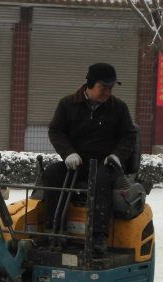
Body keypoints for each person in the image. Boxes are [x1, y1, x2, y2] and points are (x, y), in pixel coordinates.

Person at [45, 62, 138, 253]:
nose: (107, 93)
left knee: (100, 178)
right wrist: (68, 152)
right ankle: (54, 230)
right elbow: (56, 131)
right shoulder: (67, 104)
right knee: (52, 173)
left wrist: (117, 156)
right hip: (77, 161)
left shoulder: (119, 108)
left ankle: (98, 236)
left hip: (105, 163)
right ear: (90, 84)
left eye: (110, 88)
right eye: (103, 88)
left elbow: (129, 136)